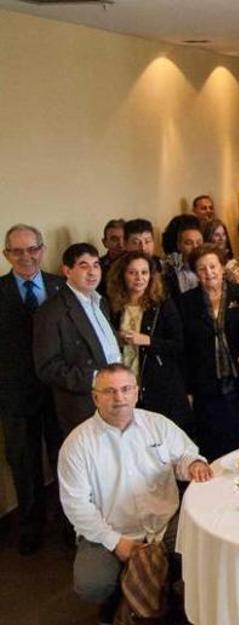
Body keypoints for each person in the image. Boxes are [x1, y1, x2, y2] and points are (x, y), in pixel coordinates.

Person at [57, 364, 212, 621]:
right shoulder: (77, 444)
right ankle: (126, 598)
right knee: (92, 584)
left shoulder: (158, 424)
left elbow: (184, 456)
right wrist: (115, 542)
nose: (119, 398)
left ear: (136, 393)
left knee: (205, 549)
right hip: (110, 530)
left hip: (166, 522)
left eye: (126, 389)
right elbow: (76, 506)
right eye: (109, 391)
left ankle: (161, 590)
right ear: (95, 397)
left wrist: (194, 465)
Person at [1, 224, 66, 555]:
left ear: (41, 250)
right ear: (6, 254)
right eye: (17, 251)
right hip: (15, 396)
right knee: (24, 464)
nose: (25, 256)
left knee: (64, 459)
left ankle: (70, 523)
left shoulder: (61, 286)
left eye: (32, 249)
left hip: (58, 393)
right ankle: (30, 525)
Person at [178, 244, 239, 459]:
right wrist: (187, 388)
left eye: (213, 266)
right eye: (202, 269)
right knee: (215, 440)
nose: (209, 273)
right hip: (205, 382)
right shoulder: (185, 303)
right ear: (195, 273)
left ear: (222, 267)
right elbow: (183, 348)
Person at [34, 243, 122, 433]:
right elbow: (47, 367)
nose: (92, 272)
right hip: (83, 404)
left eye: (96, 265)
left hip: (115, 396)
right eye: (84, 265)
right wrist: (95, 379)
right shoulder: (51, 311)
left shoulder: (101, 301)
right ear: (67, 270)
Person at [105, 252, 191, 430]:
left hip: (159, 385)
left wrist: (147, 340)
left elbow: (179, 345)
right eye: (132, 273)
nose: (139, 278)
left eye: (144, 273)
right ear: (122, 275)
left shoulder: (163, 304)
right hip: (125, 384)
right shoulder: (112, 306)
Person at [164, 216, 204, 298]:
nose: (195, 247)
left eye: (199, 243)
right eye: (189, 243)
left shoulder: (210, 268)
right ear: (179, 245)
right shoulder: (172, 271)